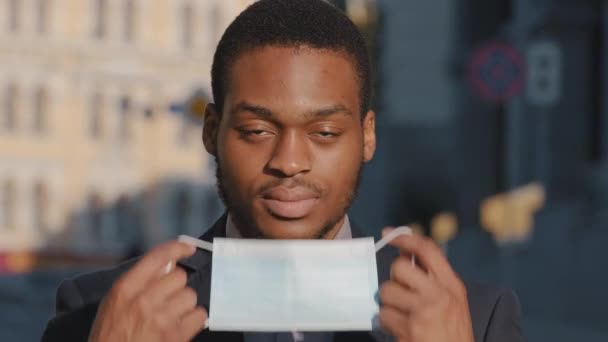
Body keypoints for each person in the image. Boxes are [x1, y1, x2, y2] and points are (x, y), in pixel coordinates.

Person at [42, 0, 524, 341]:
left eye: (325, 133)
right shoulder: (103, 310)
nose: (290, 162)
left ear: (367, 136)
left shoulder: (471, 320)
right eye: (256, 130)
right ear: (212, 131)